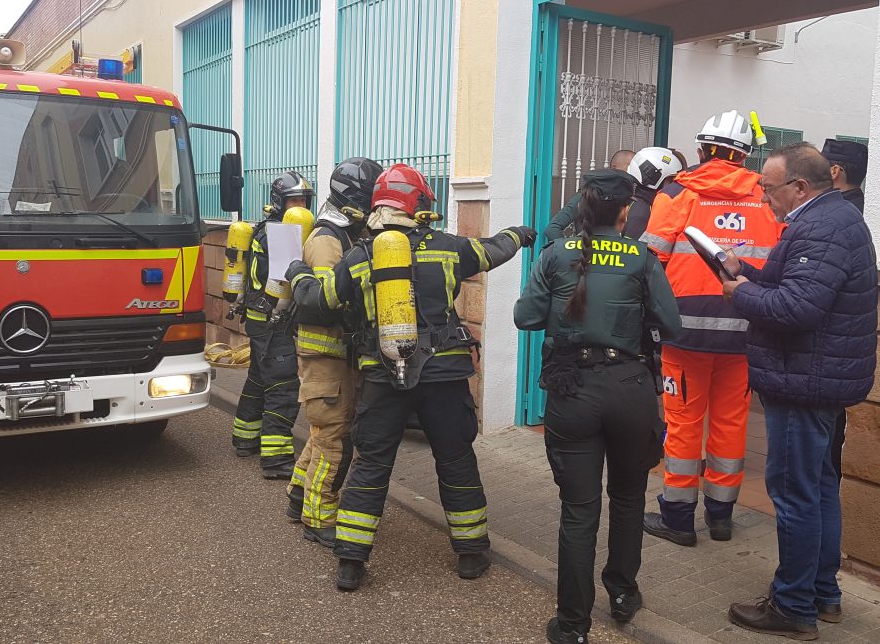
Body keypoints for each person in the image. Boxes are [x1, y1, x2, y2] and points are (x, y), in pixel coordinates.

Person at [287, 164, 536, 591]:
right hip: (444, 377)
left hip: (384, 378)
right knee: (456, 461)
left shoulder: (361, 256)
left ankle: (350, 559)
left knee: (372, 465)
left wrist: (297, 272)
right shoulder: (449, 248)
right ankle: (472, 551)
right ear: (417, 204)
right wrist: (521, 232)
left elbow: (319, 300)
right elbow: (494, 250)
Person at [515, 170, 681, 644]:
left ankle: (573, 626)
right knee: (628, 500)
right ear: (626, 211)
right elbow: (673, 324)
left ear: (581, 207)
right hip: (630, 389)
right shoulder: (643, 257)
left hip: (573, 392)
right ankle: (624, 595)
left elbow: (525, 317)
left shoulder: (555, 254)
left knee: (578, 510)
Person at [723, 143, 877, 640]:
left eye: (768, 188)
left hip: (804, 381)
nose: (763, 197)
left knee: (794, 495)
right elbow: (793, 284)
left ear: (800, 187)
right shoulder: (832, 219)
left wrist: (739, 293)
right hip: (817, 377)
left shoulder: (821, 226)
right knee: (819, 487)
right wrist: (745, 270)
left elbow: (796, 308)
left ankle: (792, 607)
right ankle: (823, 594)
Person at [639, 110, 784, 546]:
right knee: (731, 422)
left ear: (702, 148)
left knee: (684, 422)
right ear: (744, 154)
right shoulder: (765, 195)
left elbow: (650, 262)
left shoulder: (678, 190)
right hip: (746, 329)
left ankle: (679, 519)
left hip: (686, 334)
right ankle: (721, 516)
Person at [285, 157, 384, 548]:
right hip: (325, 352)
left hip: (336, 353)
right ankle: (318, 518)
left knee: (325, 429)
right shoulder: (328, 239)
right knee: (334, 436)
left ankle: (298, 496)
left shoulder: (346, 233)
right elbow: (323, 301)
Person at [229, 172, 314, 479]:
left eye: (305, 201)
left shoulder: (263, 230)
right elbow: (283, 280)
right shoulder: (280, 236)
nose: (301, 207)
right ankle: (276, 459)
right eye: (294, 200)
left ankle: (245, 437)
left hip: (257, 317)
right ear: (279, 203)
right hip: (270, 318)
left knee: (258, 379)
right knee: (282, 385)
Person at [820, 138, 869, 481]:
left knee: (820, 464)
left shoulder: (838, 217)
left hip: (830, 352)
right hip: (842, 353)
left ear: (835, 171)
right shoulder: (858, 210)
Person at [544, 150, 636, 241]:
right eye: (631, 166)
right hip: (586, 254)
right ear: (614, 167)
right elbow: (553, 229)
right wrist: (569, 252)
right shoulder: (589, 194)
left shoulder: (631, 197)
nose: (635, 171)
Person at [623, 147, 683, 240]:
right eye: (671, 180)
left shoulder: (643, 204)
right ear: (652, 177)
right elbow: (633, 252)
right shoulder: (641, 213)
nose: (674, 185)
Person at [822, 138, 868, 214]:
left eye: (820, 167)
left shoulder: (831, 213)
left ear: (834, 171)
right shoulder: (863, 207)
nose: (816, 173)